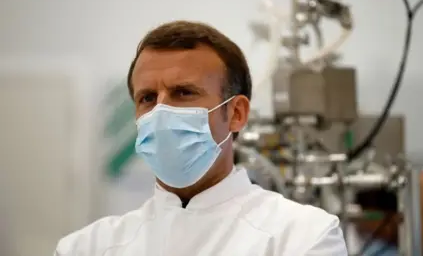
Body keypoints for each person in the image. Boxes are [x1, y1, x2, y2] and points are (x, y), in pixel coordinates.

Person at [54, 20, 347, 256]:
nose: (161, 111)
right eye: (147, 98)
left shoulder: (303, 238)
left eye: (183, 93)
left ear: (236, 113)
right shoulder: (85, 248)